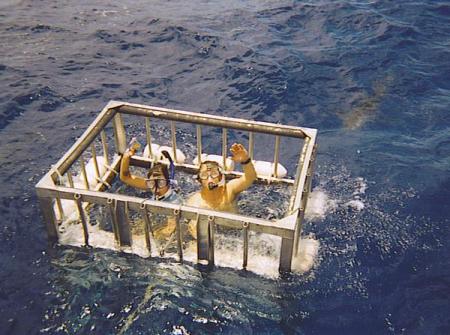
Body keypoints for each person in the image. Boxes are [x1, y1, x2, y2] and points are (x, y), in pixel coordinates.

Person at [120, 139, 180, 238]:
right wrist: (126, 157)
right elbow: (125, 177)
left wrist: (147, 237)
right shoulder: (153, 185)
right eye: (151, 183)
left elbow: (170, 229)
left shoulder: (174, 202)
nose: (156, 188)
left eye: (160, 183)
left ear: (168, 182)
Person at [186, 143, 257, 213]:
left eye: (214, 174)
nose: (210, 179)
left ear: (221, 176)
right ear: (199, 179)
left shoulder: (230, 190)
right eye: (204, 175)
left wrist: (245, 160)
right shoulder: (195, 202)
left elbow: (250, 177)